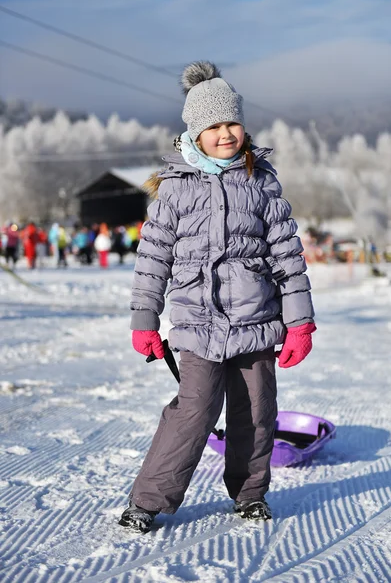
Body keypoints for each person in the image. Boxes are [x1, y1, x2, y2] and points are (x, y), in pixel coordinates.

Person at [119, 62, 316, 533]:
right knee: (194, 409)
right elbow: (153, 258)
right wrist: (145, 318)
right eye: (213, 126)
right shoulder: (175, 188)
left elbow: (288, 256)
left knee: (255, 409)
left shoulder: (261, 181)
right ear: (195, 131)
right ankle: (148, 500)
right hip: (197, 322)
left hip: (256, 318)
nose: (225, 134)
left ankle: (249, 495)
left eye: (232, 123)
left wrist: (300, 321)